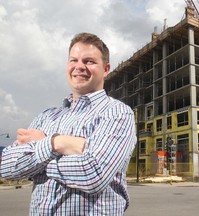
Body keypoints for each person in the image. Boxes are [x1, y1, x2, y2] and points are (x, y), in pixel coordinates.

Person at [0, 32, 137, 215]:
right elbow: (7, 167)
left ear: (105, 69)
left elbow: (93, 174)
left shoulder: (116, 113)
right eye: (74, 60)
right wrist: (56, 143)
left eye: (89, 61)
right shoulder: (46, 117)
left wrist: (40, 158)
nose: (79, 67)